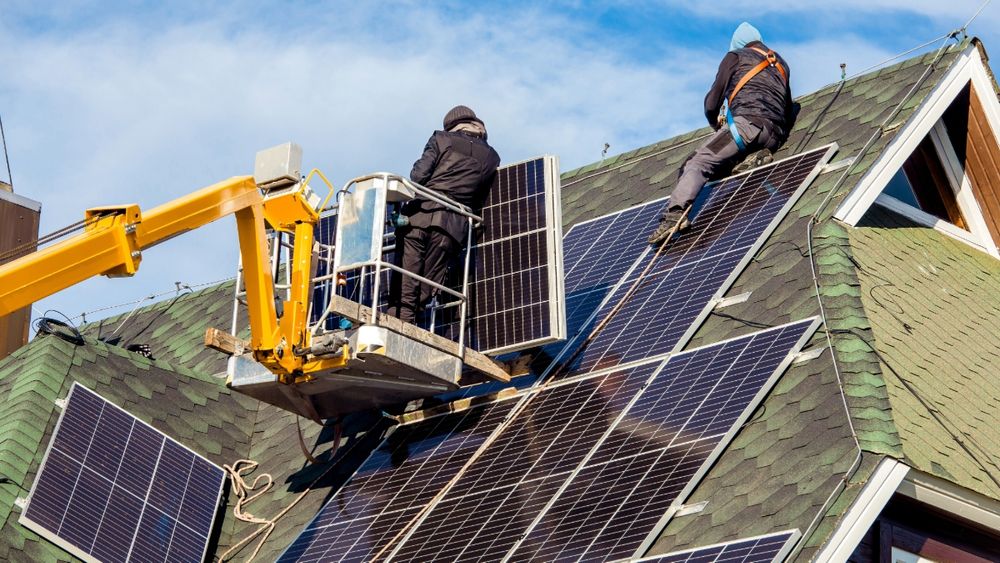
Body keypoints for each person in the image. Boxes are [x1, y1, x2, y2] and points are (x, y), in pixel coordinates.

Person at [649, 22, 793, 245]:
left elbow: (711, 103)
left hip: (744, 128)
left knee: (698, 162)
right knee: (722, 167)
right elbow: (786, 106)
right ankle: (756, 155)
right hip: (773, 135)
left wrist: (715, 123)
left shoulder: (735, 57)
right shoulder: (781, 64)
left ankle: (674, 216)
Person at [388, 105, 501, 324]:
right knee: (429, 279)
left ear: (451, 126)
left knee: (406, 273)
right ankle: (409, 322)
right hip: (452, 227)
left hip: (418, 217)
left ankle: (398, 321)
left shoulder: (441, 139)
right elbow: (479, 197)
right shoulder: (491, 156)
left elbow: (418, 175)